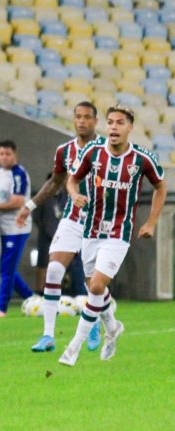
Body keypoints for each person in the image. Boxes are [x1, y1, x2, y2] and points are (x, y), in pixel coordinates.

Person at [58, 106, 166, 366]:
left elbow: (161, 186)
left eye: (120, 123)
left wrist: (151, 222)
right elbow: (72, 180)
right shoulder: (93, 152)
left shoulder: (142, 158)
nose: (114, 127)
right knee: (95, 289)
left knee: (95, 287)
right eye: (110, 122)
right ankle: (113, 327)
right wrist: (74, 194)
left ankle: (73, 347)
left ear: (130, 127)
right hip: (91, 230)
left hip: (119, 233)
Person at [15, 102, 104, 353]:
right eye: (78, 117)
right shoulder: (64, 150)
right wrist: (29, 207)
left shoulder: (106, 149)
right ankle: (48, 336)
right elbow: (55, 182)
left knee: (93, 281)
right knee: (53, 270)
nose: (82, 121)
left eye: (87, 117)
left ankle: (94, 321)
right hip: (73, 217)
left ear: (95, 121)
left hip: (99, 221)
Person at [0, 140, 33, 317]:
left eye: (8, 154)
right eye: (1, 154)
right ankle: (32, 299)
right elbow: (1, 195)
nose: (4, 157)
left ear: (15, 155)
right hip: (0, 227)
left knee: (7, 268)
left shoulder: (18, 174)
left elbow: (18, 201)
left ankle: (1, 308)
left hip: (16, 227)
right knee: (4, 266)